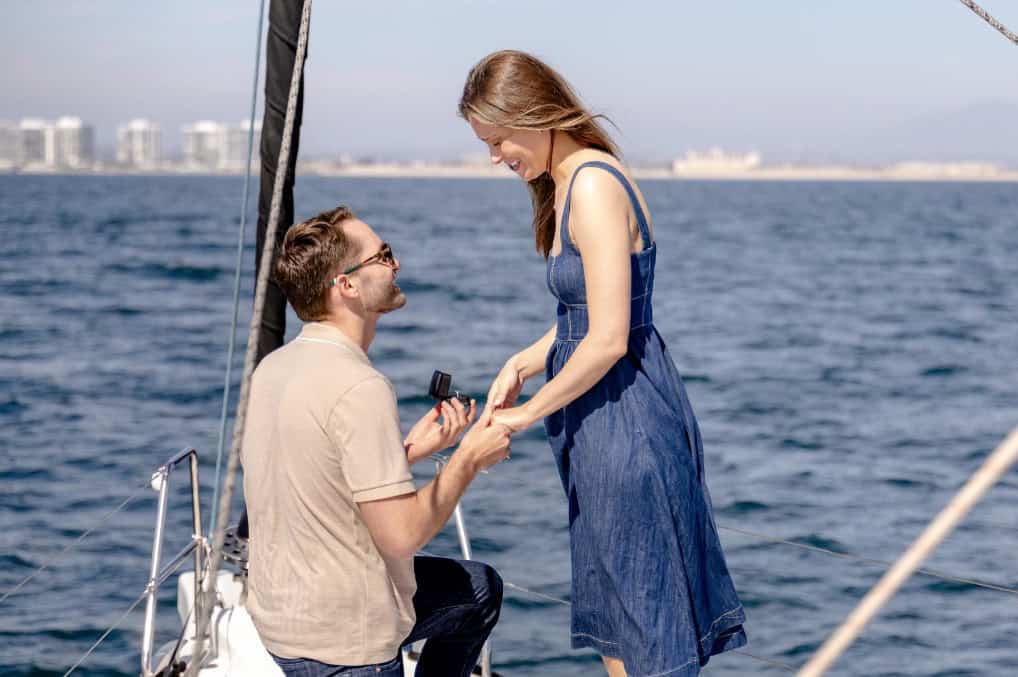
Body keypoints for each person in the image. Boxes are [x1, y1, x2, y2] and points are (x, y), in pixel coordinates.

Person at [460, 50, 747, 677]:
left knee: (647, 618)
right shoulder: (568, 181)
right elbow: (591, 311)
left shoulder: (590, 185)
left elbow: (611, 336)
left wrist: (526, 415)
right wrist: (528, 358)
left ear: (534, 115)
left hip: (627, 423)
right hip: (599, 421)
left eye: (498, 138)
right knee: (619, 618)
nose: (495, 156)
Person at [240, 205, 512, 677]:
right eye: (382, 256)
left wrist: (407, 453)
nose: (396, 264)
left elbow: (319, 475)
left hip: (282, 622)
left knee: (479, 589)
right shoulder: (361, 387)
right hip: (347, 644)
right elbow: (402, 535)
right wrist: (466, 458)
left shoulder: (275, 368)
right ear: (346, 285)